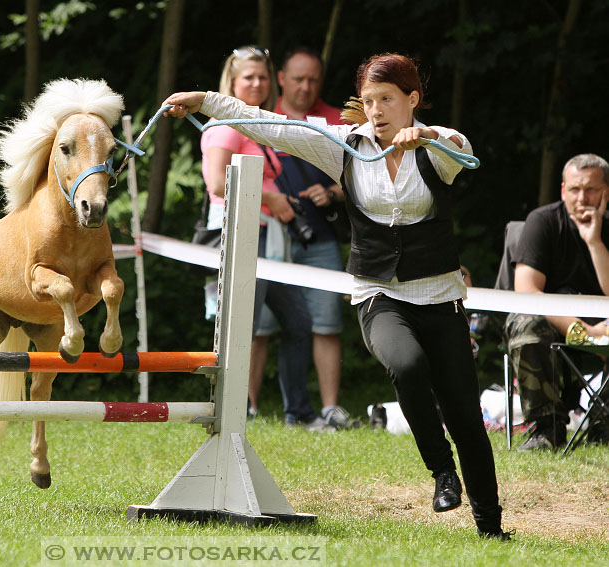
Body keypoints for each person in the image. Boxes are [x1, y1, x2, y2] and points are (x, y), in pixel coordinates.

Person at [163, 52, 507, 539]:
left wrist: (427, 135)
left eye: (387, 99)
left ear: (412, 99)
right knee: (406, 366)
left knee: (465, 417)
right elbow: (271, 126)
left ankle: (491, 529)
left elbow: (463, 148)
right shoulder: (344, 145)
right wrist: (206, 100)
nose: (376, 111)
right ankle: (441, 473)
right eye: (368, 101)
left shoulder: (437, 148)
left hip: (440, 296)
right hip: (378, 295)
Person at [200, 45, 324, 431]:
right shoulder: (224, 124)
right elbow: (217, 182)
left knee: (299, 323)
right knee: (243, 330)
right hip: (239, 238)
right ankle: (229, 411)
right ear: (232, 83)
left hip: (267, 240)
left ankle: (298, 414)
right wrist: (271, 197)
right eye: (248, 77)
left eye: (262, 77)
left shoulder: (259, 126)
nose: (256, 83)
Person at [249, 47, 355, 431]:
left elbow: (361, 175)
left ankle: (328, 408)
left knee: (325, 323)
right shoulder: (261, 117)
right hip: (269, 234)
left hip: (321, 235)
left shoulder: (336, 120)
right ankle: (250, 408)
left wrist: (334, 193)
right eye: (298, 79)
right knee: (257, 326)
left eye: (313, 80)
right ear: (280, 78)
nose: (305, 87)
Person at [505, 153, 609, 451]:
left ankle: (604, 423)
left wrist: (595, 242)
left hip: (604, 321)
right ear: (563, 190)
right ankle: (546, 428)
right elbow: (527, 293)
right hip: (550, 321)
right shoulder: (543, 221)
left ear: (606, 192)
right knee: (525, 321)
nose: (582, 198)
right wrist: (584, 332)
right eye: (574, 190)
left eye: (590, 189)